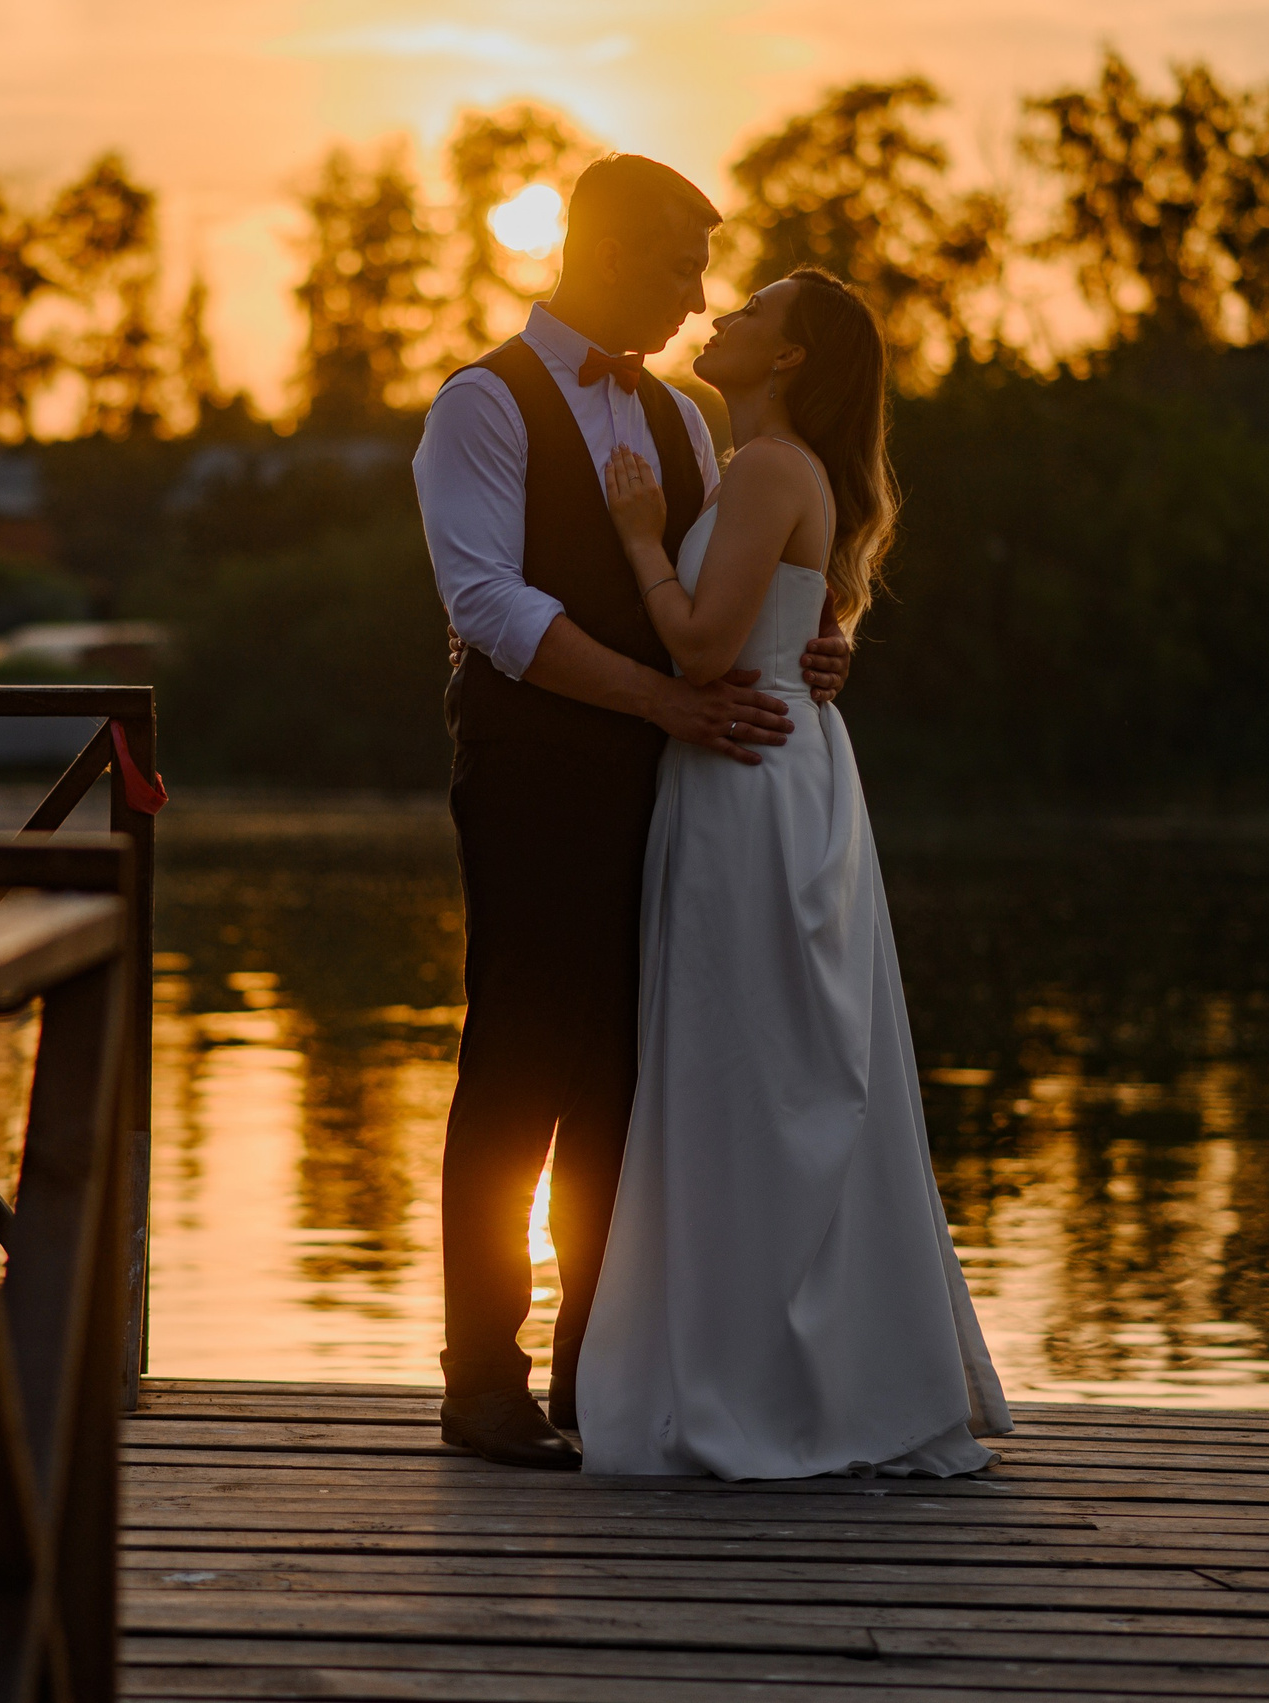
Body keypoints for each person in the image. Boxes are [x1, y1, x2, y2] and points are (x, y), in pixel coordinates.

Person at [410, 156, 853, 1470]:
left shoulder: (677, 421)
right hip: (535, 776)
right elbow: (488, 609)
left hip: (674, 794)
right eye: (678, 266)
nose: (697, 295)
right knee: (519, 1069)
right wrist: (664, 705)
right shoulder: (480, 406)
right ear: (597, 251)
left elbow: (727, 595)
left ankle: (590, 1374)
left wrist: (813, 650)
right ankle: (479, 1377)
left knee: (624, 1076)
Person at [577, 268, 1010, 1480]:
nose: (721, 317)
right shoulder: (762, 472)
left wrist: (633, 539)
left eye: (752, 311)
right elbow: (797, 613)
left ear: (791, 360)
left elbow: (706, 644)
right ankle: (790, 1357)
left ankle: (760, 1376)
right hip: (768, 771)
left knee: (747, 1070)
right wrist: (825, 639)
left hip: (744, 785)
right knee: (772, 1068)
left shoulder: (767, 471)